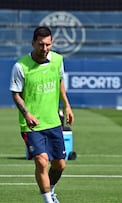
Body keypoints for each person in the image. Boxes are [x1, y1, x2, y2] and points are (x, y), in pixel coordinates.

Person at [9, 26, 74, 203]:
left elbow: (60, 82)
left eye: (48, 45)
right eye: (40, 45)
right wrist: (27, 114)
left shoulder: (58, 60)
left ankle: (50, 190)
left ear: (52, 43)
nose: (44, 49)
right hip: (32, 124)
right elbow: (16, 94)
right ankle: (48, 201)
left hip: (53, 121)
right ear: (33, 43)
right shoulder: (20, 66)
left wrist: (67, 106)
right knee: (41, 161)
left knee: (60, 164)